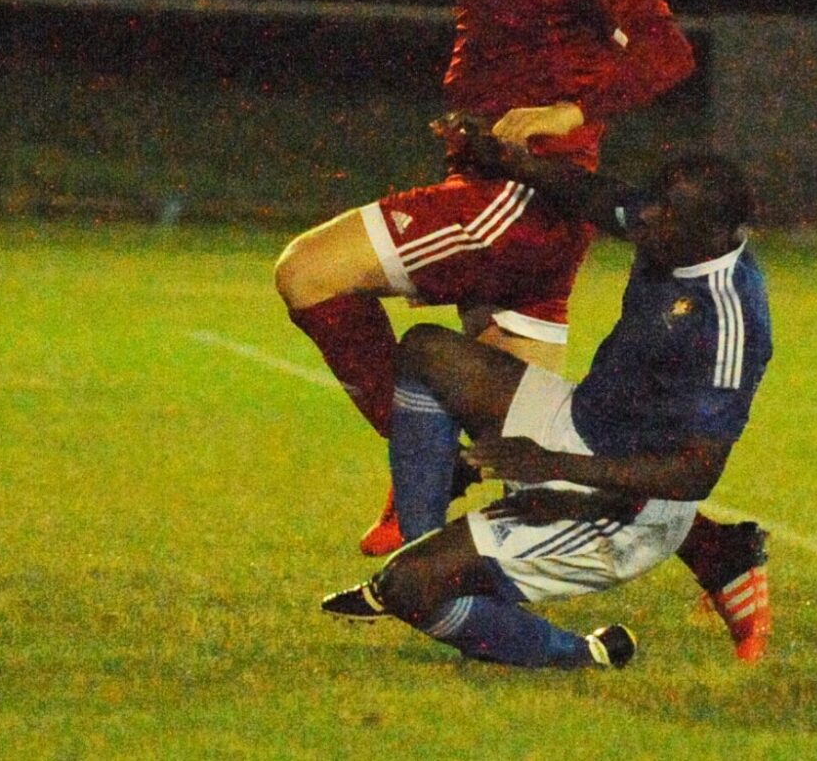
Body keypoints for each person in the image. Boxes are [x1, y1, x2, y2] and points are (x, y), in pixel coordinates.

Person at [252, 0, 769, 658]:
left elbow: (667, 50)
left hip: (523, 197)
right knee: (525, 444)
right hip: (516, 195)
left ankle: (426, 470)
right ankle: (718, 548)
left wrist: (572, 111)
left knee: (308, 274)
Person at [320, 130, 772, 671]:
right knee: (425, 353)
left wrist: (548, 465)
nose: (646, 217)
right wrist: (511, 160)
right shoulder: (670, 232)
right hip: (575, 419)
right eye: (653, 199)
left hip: (626, 508)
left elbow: (694, 475)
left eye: (667, 212)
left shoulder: (727, 318)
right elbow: (593, 194)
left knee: (409, 588)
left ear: (716, 233)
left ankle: (586, 655)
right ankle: (423, 547)